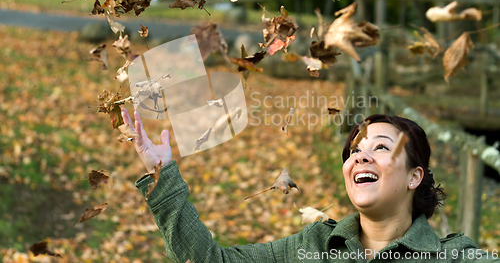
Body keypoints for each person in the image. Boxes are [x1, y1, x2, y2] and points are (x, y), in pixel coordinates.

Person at [121, 108, 499, 262]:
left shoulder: (454, 257)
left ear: (415, 176)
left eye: (380, 148)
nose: (360, 157)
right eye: (354, 151)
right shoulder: (312, 246)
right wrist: (162, 175)